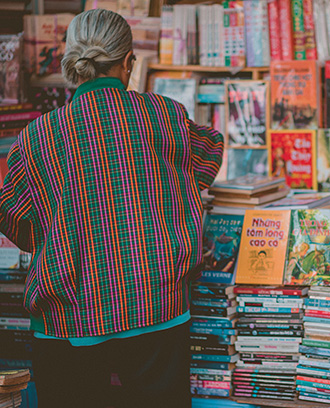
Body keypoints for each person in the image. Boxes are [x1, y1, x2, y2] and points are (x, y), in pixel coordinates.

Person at [0, 9, 223, 408]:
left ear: (73, 61)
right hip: (155, 301)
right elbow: (206, 157)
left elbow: (15, 219)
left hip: (69, 313)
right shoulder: (165, 114)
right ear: (128, 62)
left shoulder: (36, 137)